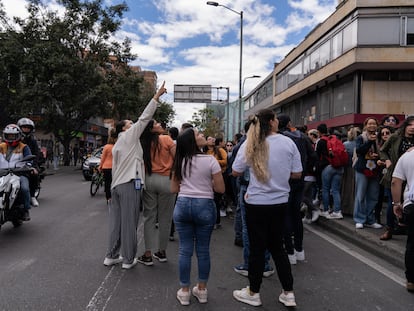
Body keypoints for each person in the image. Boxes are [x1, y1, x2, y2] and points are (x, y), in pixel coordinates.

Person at [232, 109, 302, 308]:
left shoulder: (251, 143)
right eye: (276, 119)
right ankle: (288, 293)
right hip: (280, 202)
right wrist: (280, 175)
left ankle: (253, 292)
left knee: (256, 249)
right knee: (278, 249)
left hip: (256, 203)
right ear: (271, 122)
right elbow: (297, 173)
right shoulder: (288, 143)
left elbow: (236, 171)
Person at [103, 81, 167, 270]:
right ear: (124, 128)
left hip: (117, 186)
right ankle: (128, 259)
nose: (133, 125)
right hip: (129, 184)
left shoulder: (118, 145)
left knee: (116, 223)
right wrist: (156, 97)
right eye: (129, 124)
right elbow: (145, 118)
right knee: (130, 223)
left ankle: (111, 255)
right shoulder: (129, 136)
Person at [171, 128, 225, 306]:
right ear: (193, 141)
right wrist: (207, 183)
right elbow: (220, 189)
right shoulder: (210, 160)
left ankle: (184, 291)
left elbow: (173, 189)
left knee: (185, 250)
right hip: (205, 206)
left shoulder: (180, 160)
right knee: (202, 250)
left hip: (183, 204)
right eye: (198, 134)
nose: (202, 135)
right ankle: (201, 290)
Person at [232, 119, 275, 278]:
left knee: (249, 229)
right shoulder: (276, 142)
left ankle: (249, 264)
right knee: (268, 229)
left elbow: (235, 170)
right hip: (273, 192)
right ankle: (264, 264)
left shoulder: (245, 144)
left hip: (250, 188)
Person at [277, 113, 317, 265]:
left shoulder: (278, 138)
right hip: (299, 179)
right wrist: (304, 170)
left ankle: (290, 252)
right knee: (295, 214)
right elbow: (313, 156)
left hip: (284, 180)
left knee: (286, 215)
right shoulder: (302, 137)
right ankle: (299, 250)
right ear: (289, 123)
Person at [137, 119, 176, 266]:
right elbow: (177, 158)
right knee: (165, 217)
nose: (160, 124)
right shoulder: (166, 139)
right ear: (152, 129)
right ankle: (162, 251)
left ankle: (147, 254)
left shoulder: (144, 143)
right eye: (157, 124)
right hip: (167, 180)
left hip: (149, 179)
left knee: (149, 217)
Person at [380, 116, 414, 239]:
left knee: (408, 204)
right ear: (405, 126)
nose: (412, 127)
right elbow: (382, 150)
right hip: (394, 175)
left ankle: (405, 228)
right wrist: (387, 160)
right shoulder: (395, 137)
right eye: (410, 125)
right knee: (392, 203)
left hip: (410, 178)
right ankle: (389, 229)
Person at [390, 147, 414, 293]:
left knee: (412, 243)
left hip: (412, 204)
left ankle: (411, 280)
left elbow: (395, 182)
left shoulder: (407, 155)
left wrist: (396, 203)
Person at [353, 117, 382, 229]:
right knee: (360, 195)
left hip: (375, 169)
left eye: (374, 124)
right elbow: (359, 151)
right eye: (369, 124)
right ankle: (359, 219)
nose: (372, 126)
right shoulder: (361, 137)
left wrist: (378, 156)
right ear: (365, 125)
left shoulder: (379, 137)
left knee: (373, 196)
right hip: (362, 169)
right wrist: (370, 141)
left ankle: (370, 219)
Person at [0, 124, 33, 221]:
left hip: (19, 174)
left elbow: (29, 160)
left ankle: (26, 209)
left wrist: (28, 166)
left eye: (13, 136)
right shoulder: (1, 146)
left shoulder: (24, 147)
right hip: (2, 173)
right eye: (8, 135)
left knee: (25, 189)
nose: (10, 138)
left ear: (18, 136)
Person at [316, 123, 344, 219]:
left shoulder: (321, 141)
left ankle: (326, 210)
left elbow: (317, 156)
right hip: (339, 167)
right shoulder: (334, 139)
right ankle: (337, 211)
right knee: (336, 190)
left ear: (319, 132)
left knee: (326, 189)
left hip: (327, 167)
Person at [17, 117, 42, 208]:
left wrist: (33, 166)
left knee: (34, 174)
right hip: (14, 163)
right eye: (24, 127)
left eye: (28, 127)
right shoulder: (15, 139)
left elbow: (36, 154)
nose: (26, 129)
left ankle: (32, 195)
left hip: (28, 164)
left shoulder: (32, 141)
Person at [204, 136, 227, 224]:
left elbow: (225, 161)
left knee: (216, 200)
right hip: (207, 178)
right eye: (209, 139)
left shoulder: (220, 150)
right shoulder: (203, 151)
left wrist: (213, 161)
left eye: (213, 139)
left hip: (218, 177)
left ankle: (216, 221)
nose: (213, 140)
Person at [98, 128, 117, 204]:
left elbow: (103, 158)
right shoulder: (116, 146)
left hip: (106, 167)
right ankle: (115, 197)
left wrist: (100, 166)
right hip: (114, 168)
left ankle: (108, 198)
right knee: (114, 183)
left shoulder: (106, 147)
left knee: (107, 183)